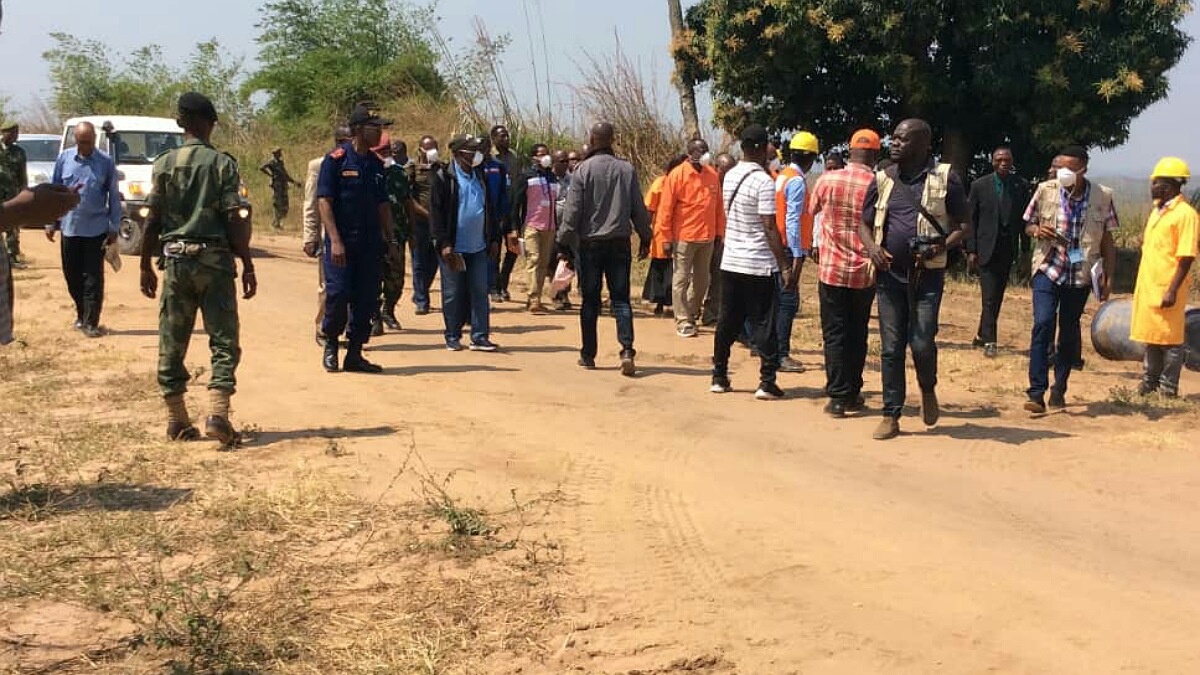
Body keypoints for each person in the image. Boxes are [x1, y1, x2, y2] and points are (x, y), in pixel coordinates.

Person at [139, 92, 256, 445]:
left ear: (180, 123)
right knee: (224, 339)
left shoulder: (163, 164)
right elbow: (235, 218)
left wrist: (144, 264)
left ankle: (177, 419)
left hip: (175, 262)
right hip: (215, 263)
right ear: (209, 123)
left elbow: (152, 219)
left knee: (172, 340)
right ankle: (218, 414)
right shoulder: (222, 164)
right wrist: (247, 262)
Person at [859, 119, 968, 440]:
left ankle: (927, 387)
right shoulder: (882, 179)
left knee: (921, 342)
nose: (893, 144)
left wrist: (939, 245)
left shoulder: (946, 178)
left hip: (928, 276)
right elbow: (864, 223)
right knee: (891, 348)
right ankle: (891, 415)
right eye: (893, 138)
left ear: (923, 146)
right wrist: (872, 248)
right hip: (889, 276)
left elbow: (964, 225)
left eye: (902, 140)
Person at [1021, 145, 1117, 414]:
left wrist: (1109, 275)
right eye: (1060, 167)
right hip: (1049, 267)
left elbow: (1109, 241)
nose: (1063, 173)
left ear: (1083, 169)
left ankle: (1059, 387)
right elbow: (1028, 222)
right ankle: (1036, 392)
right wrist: (1037, 230)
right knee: (1043, 323)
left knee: (1068, 330)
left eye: (1070, 169)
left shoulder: (1102, 196)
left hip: (1080, 272)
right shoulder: (1046, 190)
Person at [559, 122, 652, 375]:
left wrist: (563, 241)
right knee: (621, 299)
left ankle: (588, 354)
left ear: (592, 138)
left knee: (590, 300)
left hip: (590, 245)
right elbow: (638, 208)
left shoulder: (582, 170)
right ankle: (627, 349)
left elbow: (573, 210)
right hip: (619, 244)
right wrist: (646, 236)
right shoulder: (626, 169)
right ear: (612, 139)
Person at [710, 124, 791, 400]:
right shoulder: (764, 181)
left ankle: (719, 376)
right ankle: (767, 381)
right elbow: (769, 226)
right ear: (759, 148)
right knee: (764, 322)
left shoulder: (729, 176)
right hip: (757, 263)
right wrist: (784, 265)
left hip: (731, 261)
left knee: (727, 320)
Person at [317, 104, 396, 374]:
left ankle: (354, 353)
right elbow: (324, 202)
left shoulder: (376, 165)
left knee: (367, 298)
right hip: (342, 243)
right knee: (338, 295)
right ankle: (330, 343)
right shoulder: (336, 160)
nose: (381, 133)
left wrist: (392, 239)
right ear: (360, 130)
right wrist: (335, 240)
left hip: (370, 243)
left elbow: (383, 205)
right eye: (377, 127)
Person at [810, 129, 880, 417]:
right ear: (875, 155)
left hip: (831, 270)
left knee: (835, 332)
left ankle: (837, 396)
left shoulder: (827, 179)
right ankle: (853, 391)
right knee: (857, 331)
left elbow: (812, 209)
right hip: (864, 271)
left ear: (850, 152)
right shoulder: (879, 184)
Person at [45, 121, 121, 337]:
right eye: (80, 142)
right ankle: (81, 314)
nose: (84, 146)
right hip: (70, 227)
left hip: (95, 228)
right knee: (72, 275)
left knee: (93, 277)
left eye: (88, 142)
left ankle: (91, 322)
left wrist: (114, 226)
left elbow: (114, 197)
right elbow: (54, 191)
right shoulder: (65, 159)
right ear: (75, 141)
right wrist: (51, 221)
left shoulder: (105, 162)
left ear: (94, 140)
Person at [1131, 157, 1197, 398]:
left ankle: (1168, 388)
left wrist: (1172, 289)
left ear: (1168, 186)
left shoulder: (1185, 214)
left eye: (1156, 183)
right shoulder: (1158, 211)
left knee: (1170, 339)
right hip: (1150, 284)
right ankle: (1149, 384)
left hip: (1168, 286)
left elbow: (1187, 256)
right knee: (1152, 336)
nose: (1152, 187)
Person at [430, 134, 502, 352]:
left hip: (478, 246)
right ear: (460, 153)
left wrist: (493, 238)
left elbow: (490, 209)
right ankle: (452, 336)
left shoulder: (480, 176)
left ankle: (480, 336)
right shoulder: (444, 177)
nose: (478, 154)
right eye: (473, 150)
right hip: (454, 248)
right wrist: (443, 243)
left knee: (480, 291)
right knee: (453, 293)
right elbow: (436, 214)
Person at [966, 146, 1031, 358]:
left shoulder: (1020, 186)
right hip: (985, 248)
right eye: (999, 159)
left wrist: (1025, 251)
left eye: (1007, 160)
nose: (1003, 163)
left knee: (997, 295)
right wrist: (971, 250)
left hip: (1007, 249)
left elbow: (1024, 222)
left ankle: (980, 334)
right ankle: (990, 342)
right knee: (989, 296)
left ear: (1012, 163)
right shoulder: (979, 186)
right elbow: (971, 220)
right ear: (992, 161)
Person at [659, 138, 724, 338]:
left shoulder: (712, 175)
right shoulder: (677, 175)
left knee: (703, 280)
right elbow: (665, 209)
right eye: (701, 150)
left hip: (707, 237)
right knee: (681, 278)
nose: (705, 153)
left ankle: (691, 310)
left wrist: (720, 233)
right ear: (690, 153)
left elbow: (719, 208)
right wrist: (666, 238)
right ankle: (683, 320)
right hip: (683, 237)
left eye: (706, 149)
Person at [774, 131, 820, 373]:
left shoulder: (783, 176)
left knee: (777, 300)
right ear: (811, 158)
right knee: (788, 301)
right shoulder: (796, 181)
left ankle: (771, 350)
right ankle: (781, 354)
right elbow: (793, 219)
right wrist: (797, 255)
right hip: (788, 248)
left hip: (777, 245)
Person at [304, 126, 351, 346]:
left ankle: (345, 329)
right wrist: (310, 236)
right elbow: (312, 203)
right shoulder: (319, 165)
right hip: (329, 237)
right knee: (328, 287)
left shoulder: (362, 162)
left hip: (355, 236)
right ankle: (322, 329)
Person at [510, 143, 559, 313]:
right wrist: (515, 227)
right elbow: (516, 204)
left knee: (544, 263)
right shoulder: (526, 176)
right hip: (532, 225)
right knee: (534, 259)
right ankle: (533, 298)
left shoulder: (552, 178)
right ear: (533, 157)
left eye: (547, 153)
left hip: (550, 226)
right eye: (541, 154)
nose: (545, 157)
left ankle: (536, 296)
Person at [374, 135, 413, 334]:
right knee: (373, 278)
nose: (387, 155)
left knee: (396, 278)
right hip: (372, 236)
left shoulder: (399, 174)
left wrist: (412, 229)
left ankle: (388, 310)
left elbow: (407, 203)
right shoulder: (368, 173)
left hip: (397, 234)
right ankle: (374, 317)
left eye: (388, 151)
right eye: (383, 152)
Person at [642, 155, 687, 316]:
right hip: (662, 232)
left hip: (682, 232)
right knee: (661, 267)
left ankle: (674, 303)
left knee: (677, 269)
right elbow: (649, 208)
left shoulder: (686, 184)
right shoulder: (660, 183)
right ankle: (659, 302)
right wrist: (645, 232)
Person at [701, 152, 737, 327]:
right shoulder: (706, 182)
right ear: (716, 168)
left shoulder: (735, 186)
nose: (728, 175)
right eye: (725, 170)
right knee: (699, 277)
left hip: (724, 239)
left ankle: (711, 313)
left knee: (718, 277)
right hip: (703, 237)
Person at [488, 125, 521, 302]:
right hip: (495, 213)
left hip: (512, 211)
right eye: (502, 136)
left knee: (514, 249)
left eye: (507, 135)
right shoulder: (490, 158)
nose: (506, 139)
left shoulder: (514, 157)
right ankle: (494, 287)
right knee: (494, 249)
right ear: (493, 139)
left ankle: (503, 283)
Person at [409, 136, 440, 314]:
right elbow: (409, 198)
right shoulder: (413, 170)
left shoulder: (441, 169)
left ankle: (421, 291)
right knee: (418, 261)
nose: (432, 151)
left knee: (434, 261)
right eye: (428, 148)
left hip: (437, 225)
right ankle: (422, 300)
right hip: (420, 222)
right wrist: (426, 214)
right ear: (420, 150)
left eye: (434, 147)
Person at [0, 121, 28, 268]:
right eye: (13, 132)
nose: (16, 135)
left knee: (13, 226)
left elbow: (23, 175)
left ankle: (12, 257)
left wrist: (25, 191)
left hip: (13, 195)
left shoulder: (19, 152)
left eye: (17, 132)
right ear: (5, 132)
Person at [550, 149, 573, 310]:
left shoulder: (573, 180)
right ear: (554, 163)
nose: (566, 164)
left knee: (567, 262)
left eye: (567, 161)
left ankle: (565, 293)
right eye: (562, 161)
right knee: (553, 262)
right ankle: (556, 295)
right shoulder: (548, 180)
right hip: (551, 226)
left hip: (568, 227)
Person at [260, 147, 300, 230]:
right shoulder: (271, 162)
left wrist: (294, 182)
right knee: (278, 204)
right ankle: (276, 223)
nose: (280, 154)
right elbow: (262, 167)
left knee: (285, 204)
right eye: (279, 152)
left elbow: (285, 174)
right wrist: (270, 175)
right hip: (277, 185)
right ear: (275, 154)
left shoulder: (281, 163)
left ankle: (278, 222)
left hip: (283, 185)